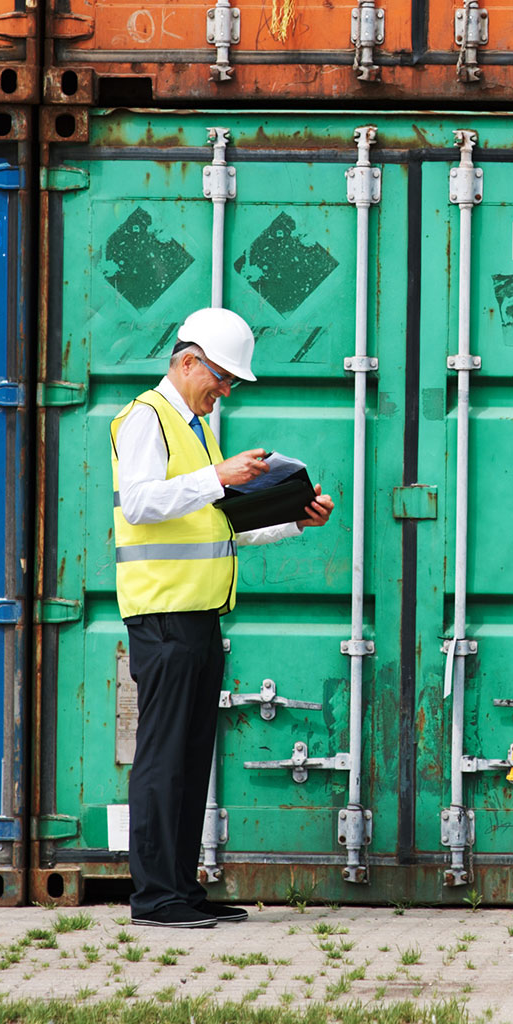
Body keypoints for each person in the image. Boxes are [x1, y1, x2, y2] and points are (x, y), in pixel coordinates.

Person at [112, 304, 333, 929]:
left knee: (189, 758)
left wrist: (293, 519)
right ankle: (155, 899)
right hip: (163, 614)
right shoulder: (144, 420)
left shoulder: (195, 430)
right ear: (187, 363)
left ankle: (181, 889)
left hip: (199, 613)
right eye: (222, 378)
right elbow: (141, 502)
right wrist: (218, 475)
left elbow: (220, 527)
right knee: (162, 758)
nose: (225, 390)